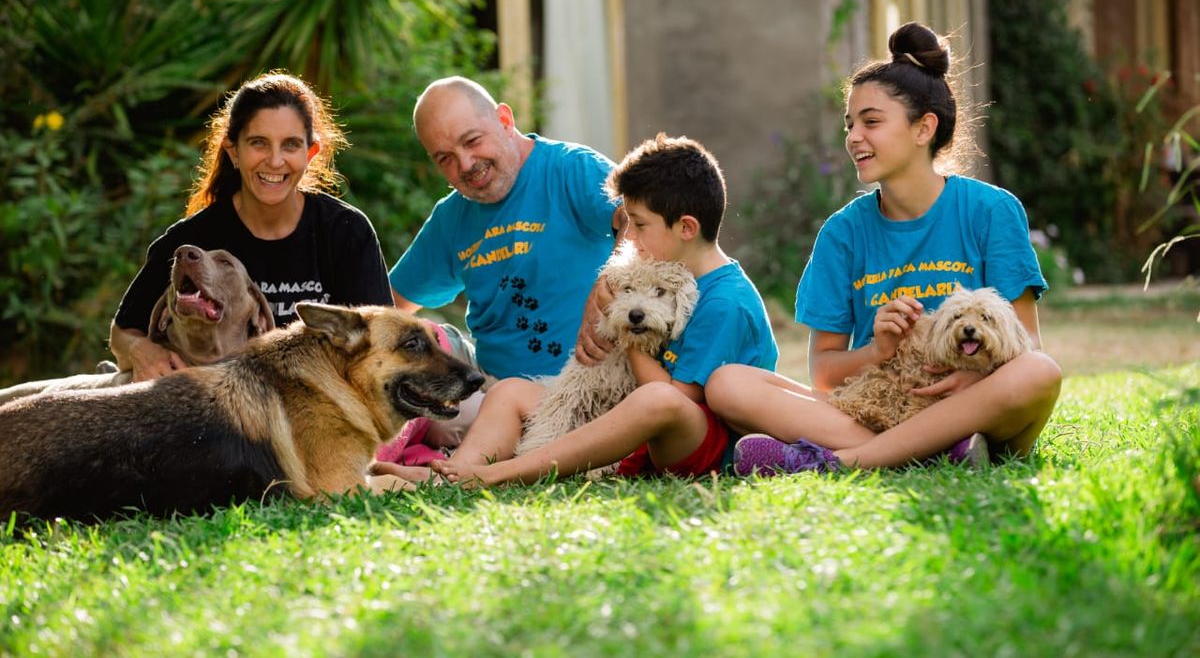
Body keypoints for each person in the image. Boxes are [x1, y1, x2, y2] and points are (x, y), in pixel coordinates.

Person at [705, 21, 1063, 474]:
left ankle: (841, 461)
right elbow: (825, 375)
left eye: (871, 122)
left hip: (976, 405)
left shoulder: (991, 211)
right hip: (877, 409)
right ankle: (940, 452)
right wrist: (879, 349)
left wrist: (971, 377)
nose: (854, 137)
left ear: (923, 128)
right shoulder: (842, 233)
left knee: (1040, 372)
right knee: (727, 382)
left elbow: (1027, 342)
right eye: (850, 125)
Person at [420, 134, 778, 487]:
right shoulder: (678, 277)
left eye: (638, 225)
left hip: (707, 449)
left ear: (686, 228)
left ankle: (509, 471)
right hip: (647, 422)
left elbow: (676, 400)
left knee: (656, 398)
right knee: (511, 391)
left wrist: (630, 336)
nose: (630, 237)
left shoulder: (723, 302)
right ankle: (452, 475)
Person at [381, 76, 624, 452]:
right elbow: (388, 305)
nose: (466, 164)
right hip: (488, 389)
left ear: (505, 121)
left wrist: (605, 287)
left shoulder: (571, 169)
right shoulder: (452, 218)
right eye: (444, 158)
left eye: (472, 140)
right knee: (424, 372)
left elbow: (644, 222)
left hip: (587, 387)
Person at [110, 72, 393, 382]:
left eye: (290, 145)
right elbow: (123, 331)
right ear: (234, 150)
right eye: (259, 143)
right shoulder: (192, 241)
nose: (274, 161)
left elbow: (379, 345)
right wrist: (141, 350)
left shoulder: (347, 232)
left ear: (310, 153)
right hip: (217, 409)